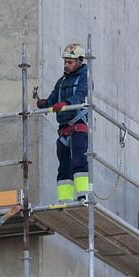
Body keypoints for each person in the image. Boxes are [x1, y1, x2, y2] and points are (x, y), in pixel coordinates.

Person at [35, 42, 91, 202]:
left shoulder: (85, 78)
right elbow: (54, 98)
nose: (66, 65)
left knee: (79, 161)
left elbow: (80, 96)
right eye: (65, 62)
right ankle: (65, 200)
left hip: (78, 126)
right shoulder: (62, 81)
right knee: (64, 166)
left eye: (70, 62)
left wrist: (66, 104)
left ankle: (83, 196)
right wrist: (45, 103)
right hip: (64, 130)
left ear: (79, 62)